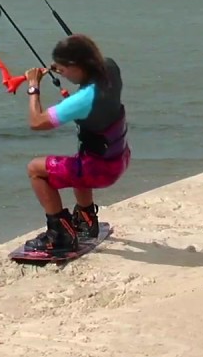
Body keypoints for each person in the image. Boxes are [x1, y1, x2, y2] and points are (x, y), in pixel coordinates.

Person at [20, 33, 130, 255]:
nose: (61, 73)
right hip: (118, 157)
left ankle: (60, 235)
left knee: (35, 169)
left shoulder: (83, 99)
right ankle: (86, 220)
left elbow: (36, 122)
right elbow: (90, 56)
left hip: (100, 171)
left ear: (77, 66)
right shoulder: (110, 69)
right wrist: (60, 65)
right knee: (78, 161)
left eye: (63, 69)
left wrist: (33, 86)